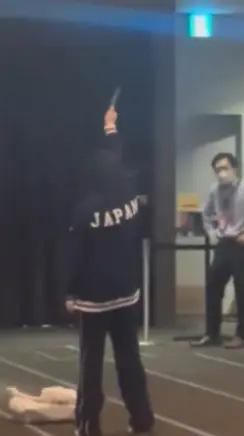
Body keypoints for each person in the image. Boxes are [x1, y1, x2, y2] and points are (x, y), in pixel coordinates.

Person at [65, 106, 155, 436]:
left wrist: (70, 292)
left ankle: (89, 426)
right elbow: (116, 154)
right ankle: (142, 419)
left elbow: (75, 256)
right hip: (125, 292)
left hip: (93, 298)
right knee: (130, 359)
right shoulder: (129, 195)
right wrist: (110, 127)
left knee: (90, 365)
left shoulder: (83, 211)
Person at [191, 152, 244, 349]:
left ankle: (241, 335)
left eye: (224, 168)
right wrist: (212, 233)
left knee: (242, 290)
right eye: (217, 170)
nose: (221, 173)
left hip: (243, 244)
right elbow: (205, 214)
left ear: (234, 169)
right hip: (224, 243)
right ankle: (212, 333)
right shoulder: (215, 190)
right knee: (213, 288)